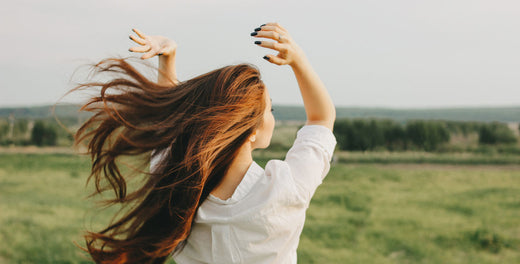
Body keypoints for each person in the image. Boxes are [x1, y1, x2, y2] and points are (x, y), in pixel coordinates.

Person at [74, 22, 336, 264]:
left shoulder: (175, 185)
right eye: (270, 110)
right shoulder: (285, 189)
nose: (272, 117)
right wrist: (298, 59)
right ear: (251, 130)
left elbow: (169, 126)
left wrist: (168, 59)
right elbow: (321, 118)